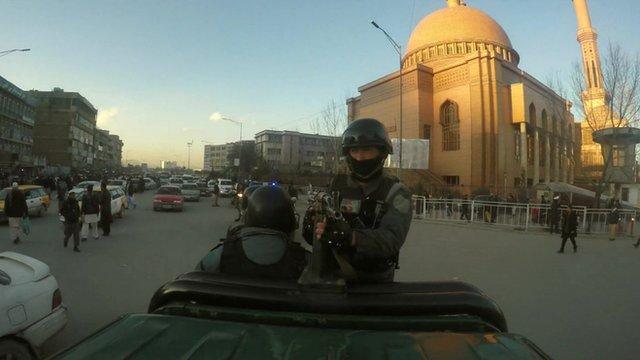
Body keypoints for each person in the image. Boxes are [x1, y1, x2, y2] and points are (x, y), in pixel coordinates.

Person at [303, 118, 412, 283]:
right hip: (333, 277)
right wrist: (314, 227)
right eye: (354, 150)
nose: (360, 157)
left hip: (374, 283)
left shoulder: (397, 192)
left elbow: (391, 239)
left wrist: (352, 237)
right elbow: (322, 231)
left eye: (367, 150)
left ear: (381, 152)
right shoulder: (337, 185)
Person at [197, 185, 308, 279]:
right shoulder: (305, 261)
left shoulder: (221, 255)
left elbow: (195, 280)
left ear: (247, 216)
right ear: (290, 221)